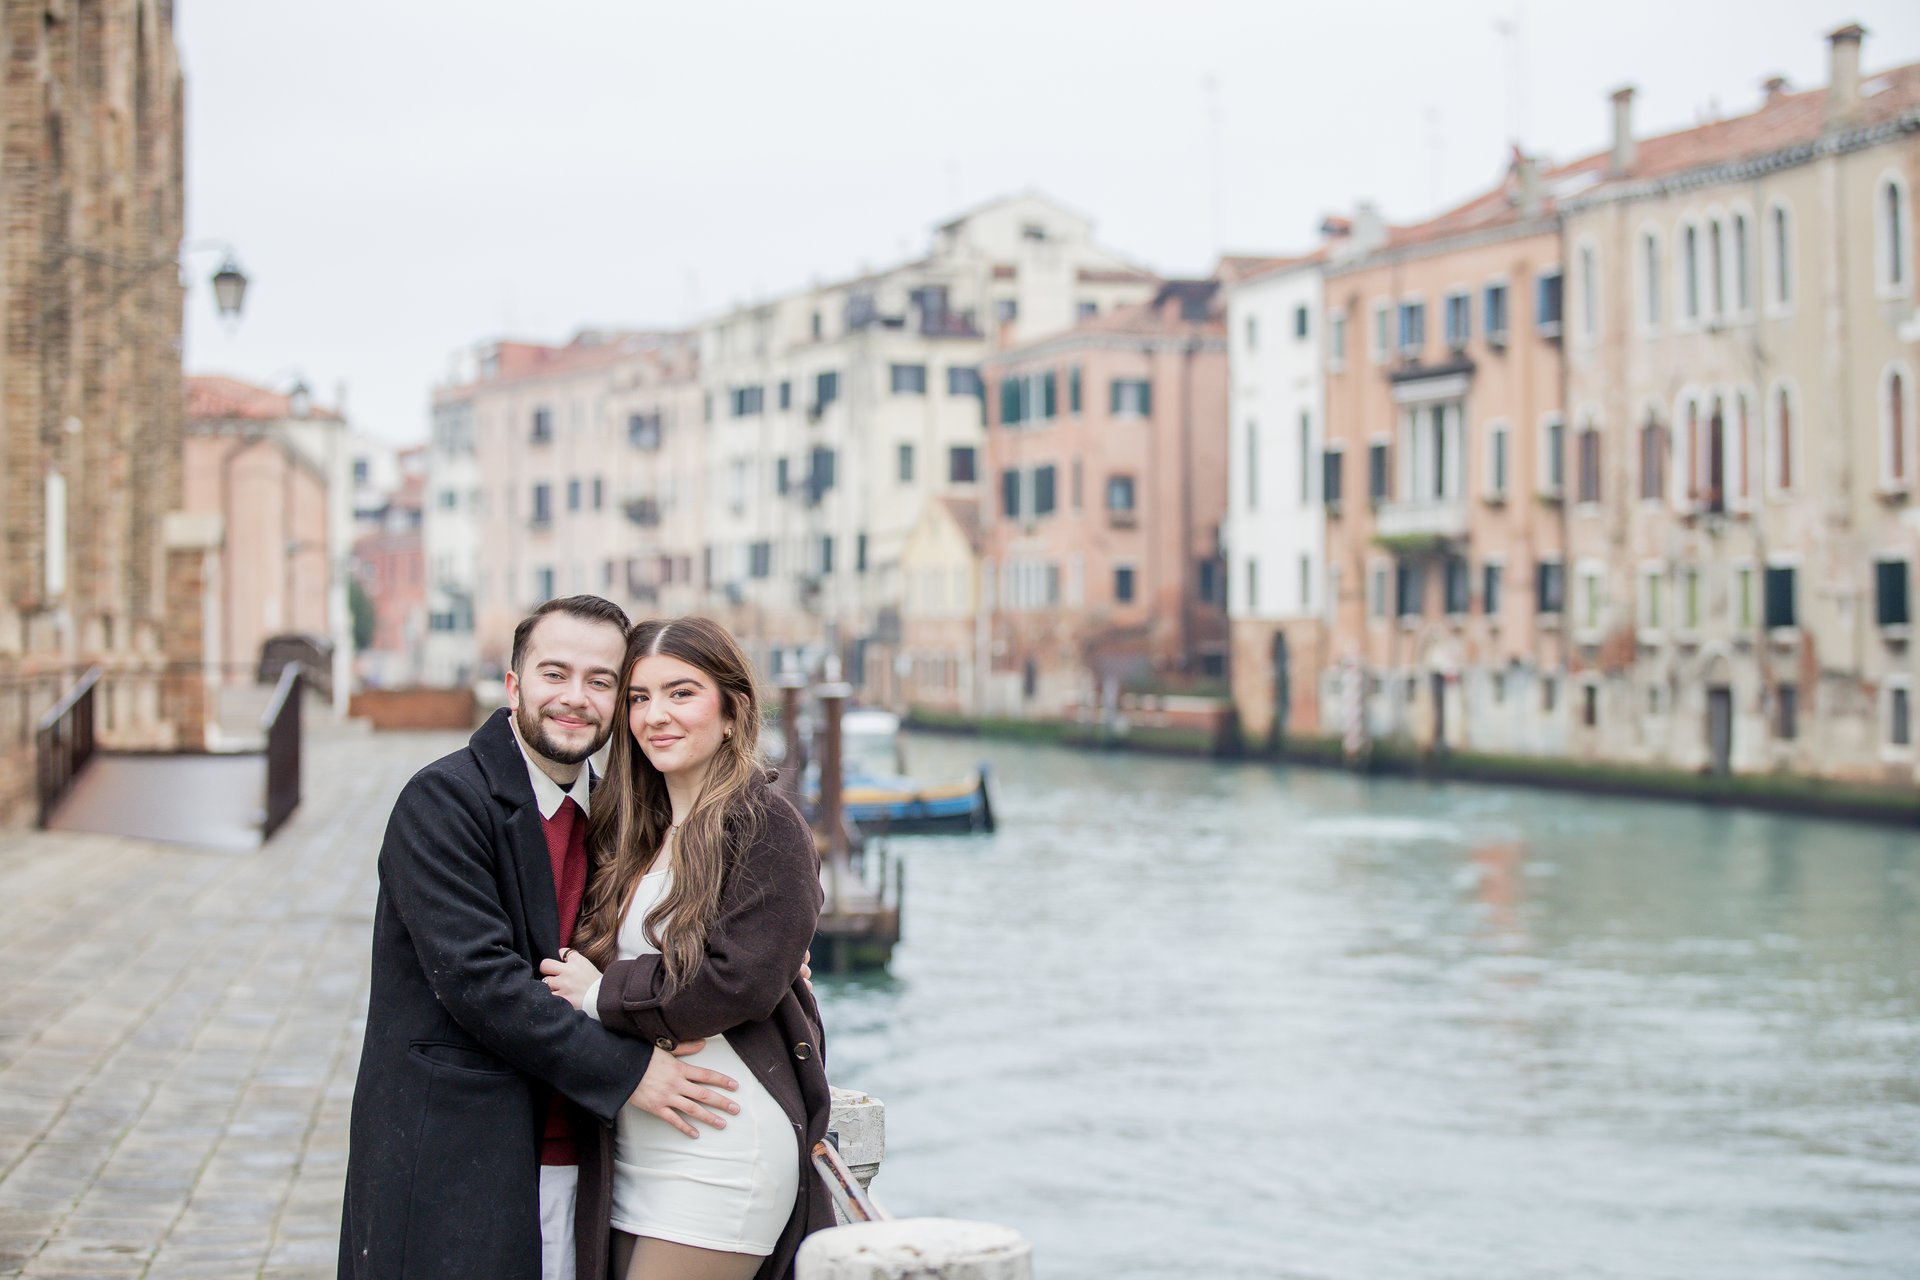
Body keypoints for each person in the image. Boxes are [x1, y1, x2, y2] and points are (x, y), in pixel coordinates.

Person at [339, 596, 747, 1280]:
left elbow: (677, 935)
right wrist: (630, 1074)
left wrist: (770, 952)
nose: (574, 699)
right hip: (458, 1159)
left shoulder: (619, 815)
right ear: (513, 684)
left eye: (600, 680)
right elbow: (483, 984)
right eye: (554, 674)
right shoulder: (442, 801)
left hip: (586, 1160)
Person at [540, 616, 834, 1280]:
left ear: (731, 711)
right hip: (631, 1144)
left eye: (681, 693)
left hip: (721, 1149)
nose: (655, 716)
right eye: (639, 697)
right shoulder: (628, 832)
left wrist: (599, 993)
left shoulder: (765, 823)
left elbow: (737, 983)